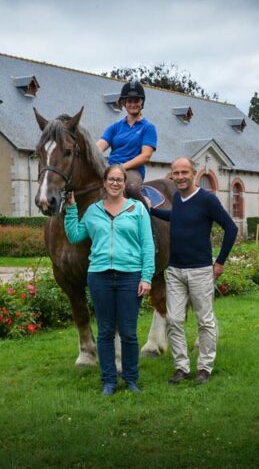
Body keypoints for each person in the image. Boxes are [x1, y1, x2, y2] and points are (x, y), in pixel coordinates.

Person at [64, 164, 155, 396]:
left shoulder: (137, 209)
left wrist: (146, 277)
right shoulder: (93, 210)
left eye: (119, 180)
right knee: (104, 331)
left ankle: (131, 379)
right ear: (104, 183)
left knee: (128, 332)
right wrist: (72, 210)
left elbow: (147, 245)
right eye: (111, 179)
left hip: (130, 276)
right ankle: (109, 381)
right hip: (100, 277)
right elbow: (75, 236)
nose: (115, 183)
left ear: (124, 183)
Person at [149, 157, 238, 384]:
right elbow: (176, 218)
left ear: (193, 173)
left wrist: (219, 262)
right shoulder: (178, 198)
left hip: (199, 270)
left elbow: (231, 228)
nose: (180, 177)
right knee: (174, 320)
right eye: (176, 173)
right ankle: (181, 367)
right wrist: (153, 211)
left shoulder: (207, 199)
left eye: (184, 172)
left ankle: (204, 368)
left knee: (204, 321)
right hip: (175, 271)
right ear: (172, 175)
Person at [96, 80, 157, 202]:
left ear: (142, 102)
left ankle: (145, 216)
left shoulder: (148, 127)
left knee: (131, 189)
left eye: (136, 100)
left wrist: (121, 167)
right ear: (124, 103)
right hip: (110, 168)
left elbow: (145, 156)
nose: (132, 104)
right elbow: (98, 148)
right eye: (129, 101)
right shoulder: (114, 127)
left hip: (132, 171)